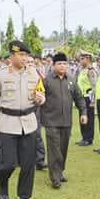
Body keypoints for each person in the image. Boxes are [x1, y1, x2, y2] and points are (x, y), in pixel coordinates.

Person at [0, 40, 45, 199]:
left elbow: (40, 95)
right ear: (11, 56)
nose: (25, 58)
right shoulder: (0, 75)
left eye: (26, 55)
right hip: (7, 124)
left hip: (29, 123)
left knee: (28, 164)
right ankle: (2, 182)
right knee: (6, 164)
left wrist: (41, 99)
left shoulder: (34, 74)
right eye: (21, 55)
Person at [40, 52, 87, 189]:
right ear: (53, 65)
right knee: (54, 149)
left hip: (66, 121)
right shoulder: (46, 80)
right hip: (51, 121)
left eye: (64, 63)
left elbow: (79, 98)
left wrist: (83, 113)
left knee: (63, 149)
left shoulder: (71, 80)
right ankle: (55, 178)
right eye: (59, 63)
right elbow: (38, 97)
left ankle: (59, 172)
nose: (62, 66)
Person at [27, 55, 48, 170]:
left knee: (37, 135)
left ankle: (40, 160)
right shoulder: (17, 75)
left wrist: (39, 98)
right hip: (21, 111)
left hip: (35, 109)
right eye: (28, 62)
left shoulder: (37, 76)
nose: (30, 64)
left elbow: (41, 93)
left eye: (32, 62)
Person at [75, 50, 97, 147]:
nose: (80, 60)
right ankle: (84, 137)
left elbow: (94, 86)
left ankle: (89, 139)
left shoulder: (91, 70)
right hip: (81, 97)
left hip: (88, 98)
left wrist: (92, 101)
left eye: (82, 58)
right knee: (82, 117)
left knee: (89, 118)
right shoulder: (82, 70)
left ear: (88, 59)